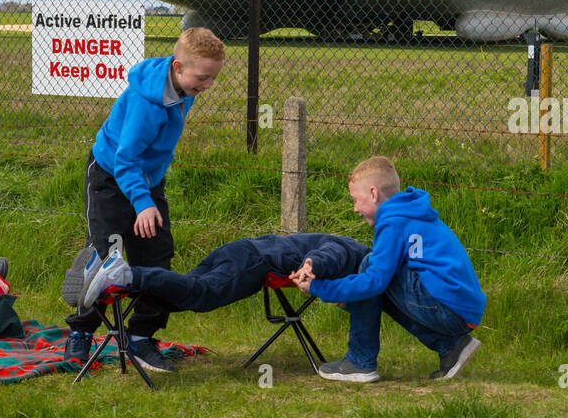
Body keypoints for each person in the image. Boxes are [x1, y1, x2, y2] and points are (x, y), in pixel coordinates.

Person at [63, 27, 226, 371]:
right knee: (107, 256)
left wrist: (149, 193)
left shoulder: (184, 86)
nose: (207, 86)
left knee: (157, 255)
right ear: (178, 67)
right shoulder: (146, 104)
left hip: (147, 181)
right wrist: (142, 202)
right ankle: (81, 333)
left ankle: (140, 337)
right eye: (202, 78)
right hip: (111, 176)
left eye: (213, 78)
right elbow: (126, 159)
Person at [289, 156, 485, 383]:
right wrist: (352, 297)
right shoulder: (409, 212)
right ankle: (452, 347)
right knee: (377, 273)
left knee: (370, 266)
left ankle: (359, 362)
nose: (354, 209)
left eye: (355, 200)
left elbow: (374, 281)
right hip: (460, 310)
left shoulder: (393, 222)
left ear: (373, 193)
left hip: (450, 311)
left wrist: (319, 287)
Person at [79, 230, 370, 314]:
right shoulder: (353, 253)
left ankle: (106, 280)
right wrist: (309, 268)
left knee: (184, 294)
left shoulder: (352, 253)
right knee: (201, 295)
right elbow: (327, 256)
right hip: (256, 262)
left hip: (243, 249)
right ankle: (125, 274)